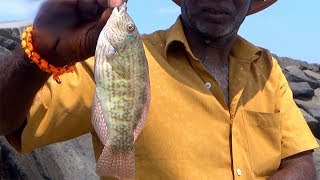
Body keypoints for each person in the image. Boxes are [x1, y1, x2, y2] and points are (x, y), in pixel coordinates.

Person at [0, 0, 318, 179]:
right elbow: (8, 120)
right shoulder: (119, 58)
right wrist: (38, 52)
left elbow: (300, 160)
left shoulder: (267, 69)